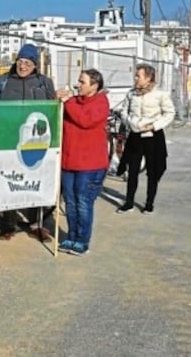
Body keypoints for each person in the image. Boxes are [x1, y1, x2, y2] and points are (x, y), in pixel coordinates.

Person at [0, 43, 57, 242]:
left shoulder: (44, 83)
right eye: (20, 61)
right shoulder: (2, 82)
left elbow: (52, 110)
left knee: (37, 181)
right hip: (8, 141)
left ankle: (38, 223)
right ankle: (9, 223)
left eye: (27, 62)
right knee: (9, 180)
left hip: (37, 142)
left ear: (35, 65)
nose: (23, 66)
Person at [56, 69, 110, 256]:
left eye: (83, 82)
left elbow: (85, 120)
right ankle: (71, 236)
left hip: (90, 164)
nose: (79, 84)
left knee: (83, 203)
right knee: (70, 203)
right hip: (69, 162)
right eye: (79, 81)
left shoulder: (101, 102)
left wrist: (68, 101)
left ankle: (82, 240)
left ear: (94, 86)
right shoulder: (75, 102)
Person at [116, 63, 175, 214]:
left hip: (153, 137)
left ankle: (149, 203)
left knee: (153, 170)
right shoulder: (131, 94)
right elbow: (124, 112)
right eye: (135, 75)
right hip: (135, 136)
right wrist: (131, 122)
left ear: (148, 78)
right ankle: (129, 203)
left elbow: (169, 113)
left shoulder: (160, 94)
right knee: (132, 169)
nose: (135, 78)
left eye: (138, 76)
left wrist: (154, 126)